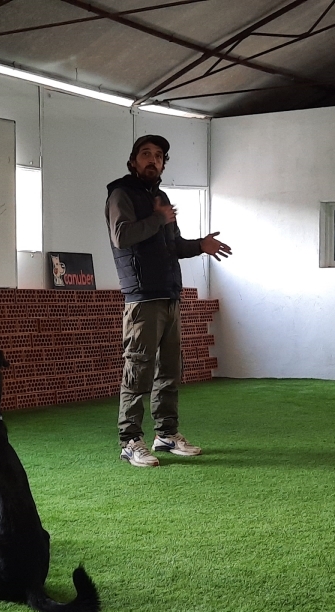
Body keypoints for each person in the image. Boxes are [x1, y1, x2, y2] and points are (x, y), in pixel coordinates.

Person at [105, 135, 233, 467]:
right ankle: (130, 441)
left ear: (163, 164)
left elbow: (173, 245)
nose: (153, 160)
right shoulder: (121, 194)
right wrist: (158, 219)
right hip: (142, 298)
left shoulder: (160, 198)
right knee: (138, 370)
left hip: (170, 295)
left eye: (159, 156)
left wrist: (200, 245)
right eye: (146, 154)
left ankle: (166, 434)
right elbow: (122, 236)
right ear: (133, 161)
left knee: (170, 370)